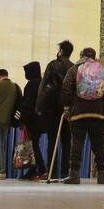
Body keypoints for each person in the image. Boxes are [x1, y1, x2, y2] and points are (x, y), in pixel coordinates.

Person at [61, 48, 104, 184]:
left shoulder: (74, 69)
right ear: (94, 56)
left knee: (77, 144)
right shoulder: (101, 70)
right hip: (97, 114)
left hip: (78, 113)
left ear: (81, 56)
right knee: (99, 144)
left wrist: (66, 107)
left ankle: (74, 175)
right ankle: (102, 175)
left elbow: (66, 87)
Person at [38, 41, 73, 181]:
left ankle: (52, 172)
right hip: (68, 109)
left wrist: (39, 107)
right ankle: (65, 173)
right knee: (67, 141)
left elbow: (43, 86)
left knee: (53, 141)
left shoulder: (52, 65)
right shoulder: (73, 67)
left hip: (52, 109)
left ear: (61, 51)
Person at [20, 60, 48, 179]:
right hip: (42, 119)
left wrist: (23, 119)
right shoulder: (42, 83)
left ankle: (40, 169)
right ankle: (36, 169)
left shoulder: (31, 85)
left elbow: (27, 104)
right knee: (34, 145)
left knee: (33, 145)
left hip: (32, 120)